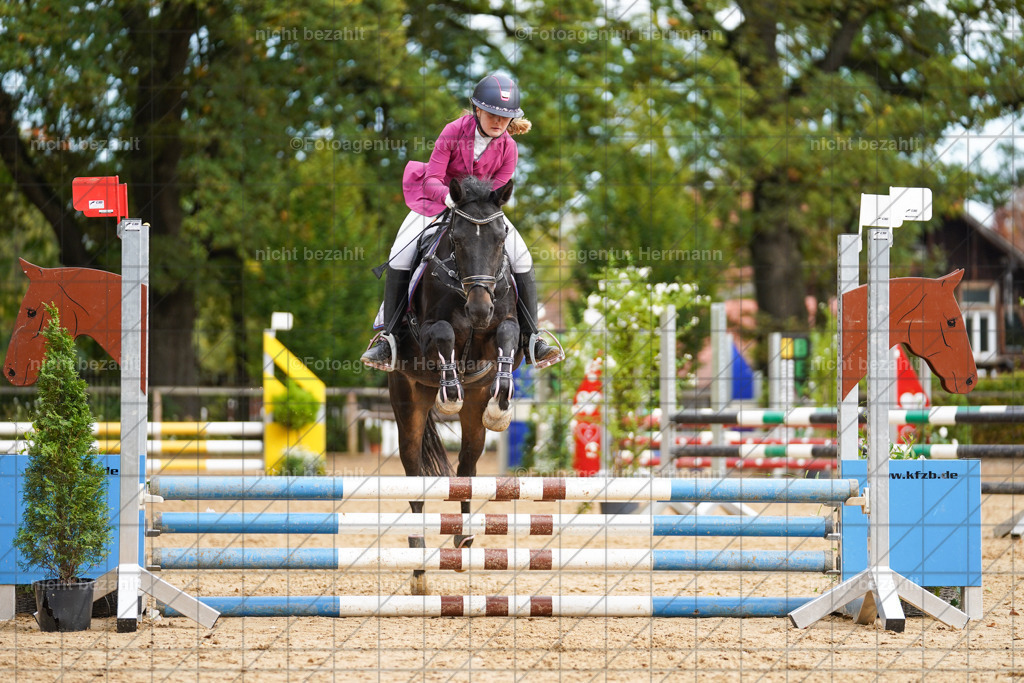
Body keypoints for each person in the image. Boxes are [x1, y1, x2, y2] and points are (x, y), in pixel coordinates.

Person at [361, 73, 563, 371]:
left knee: (523, 258)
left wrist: (475, 208)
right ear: (477, 109)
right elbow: (431, 179)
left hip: (482, 213)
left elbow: (496, 194)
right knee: (400, 252)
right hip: (437, 200)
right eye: (492, 114)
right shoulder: (454, 131)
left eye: (505, 117)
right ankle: (387, 339)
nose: (498, 121)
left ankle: (533, 338)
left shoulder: (510, 148)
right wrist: (450, 199)